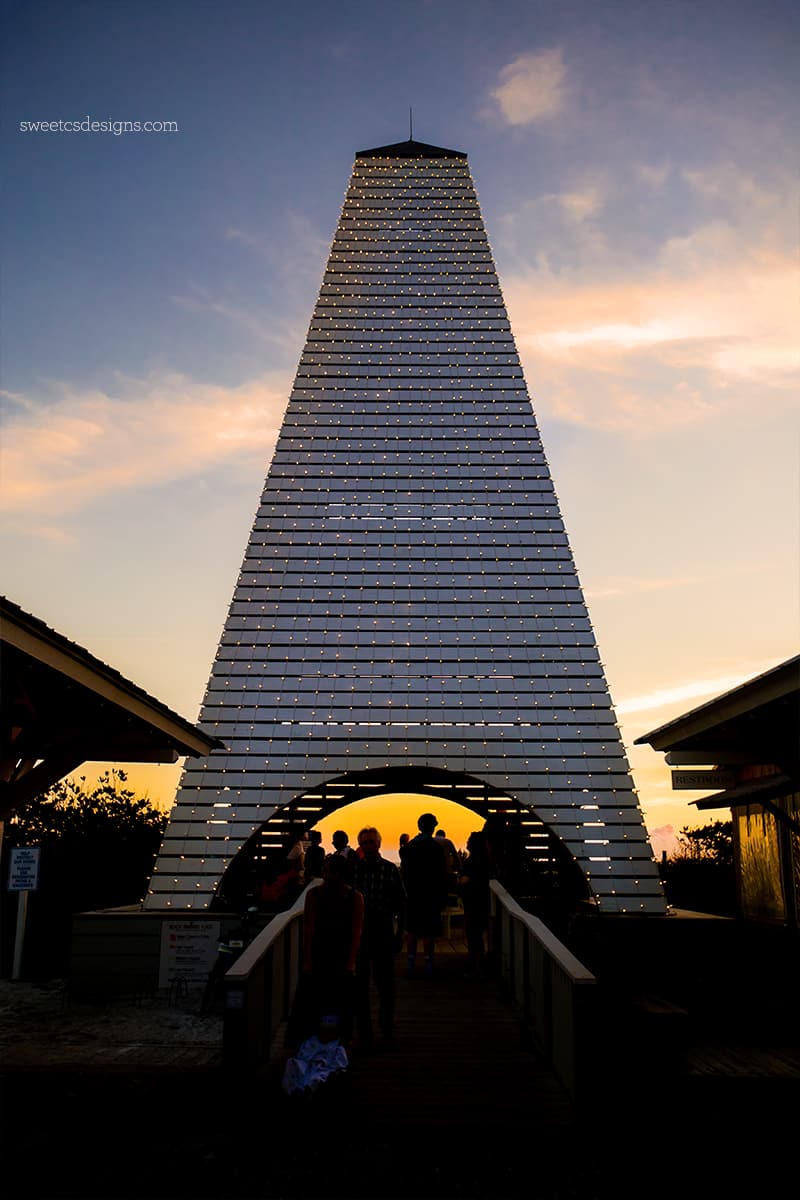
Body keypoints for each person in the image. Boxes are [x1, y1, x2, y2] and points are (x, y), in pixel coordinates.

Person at [287, 854, 364, 1048]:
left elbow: (311, 929)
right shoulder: (352, 897)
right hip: (329, 952)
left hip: (330, 952)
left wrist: (308, 960)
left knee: (322, 1002)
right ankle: (334, 1040)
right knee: (333, 1002)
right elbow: (310, 928)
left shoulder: (319, 895)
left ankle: (322, 1040)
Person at [352, 826, 406, 1049]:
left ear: (379, 844)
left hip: (382, 930)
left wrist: (399, 932)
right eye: (364, 843)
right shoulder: (355, 870)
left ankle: (386, 1031)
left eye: (371, 842)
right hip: (361, 932)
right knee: (361, 986)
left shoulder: (390, 870)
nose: (368, 847)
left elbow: (401, 904)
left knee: (385, 986)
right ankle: (365, 1033)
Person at [399, 812, 448, 977]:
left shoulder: (410, 847)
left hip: (413, 894)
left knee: (412, 930)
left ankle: (411, 962)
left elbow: (404, 872)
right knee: (428, 932)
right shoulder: (435, 848)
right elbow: (441, 874)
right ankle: (428, 962)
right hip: (431, 895)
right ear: (433, 827)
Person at [458, 830, 491, 979]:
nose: (466, 843)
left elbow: (465, 880)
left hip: (472, 903)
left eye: (468, 841)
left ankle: (474, 967)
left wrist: (458, 884)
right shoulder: (488, 861)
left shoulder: (470, 862)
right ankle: (483, 965)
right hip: (485, 901)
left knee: (473, 936)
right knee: (482, 934)